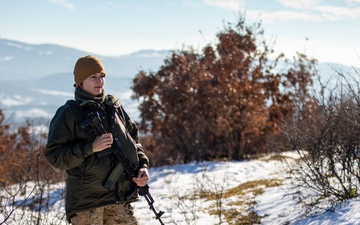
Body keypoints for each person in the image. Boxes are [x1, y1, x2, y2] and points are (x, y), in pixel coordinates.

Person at [45, 55, 150, 225]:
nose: (99, 81)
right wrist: (90, 148)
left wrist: (142, 167)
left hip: (119, 199)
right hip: (87, 204)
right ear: (80, 82)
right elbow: (55, 156)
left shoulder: (113, 107)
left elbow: (133, 140)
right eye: (92, 77)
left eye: (102, 76)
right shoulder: (69, 113)